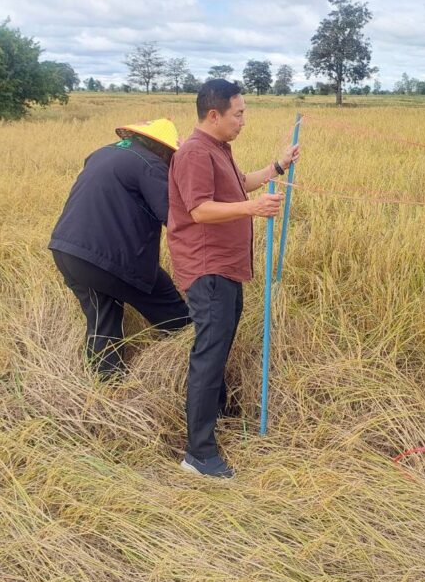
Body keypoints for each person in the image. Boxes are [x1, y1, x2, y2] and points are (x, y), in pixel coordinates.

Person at [168, 79, 300, 479]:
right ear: (214, 115)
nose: (243, 121)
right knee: (209, 355)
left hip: (224, 268)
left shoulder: (217, 148)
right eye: (238, 114)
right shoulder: (194, 152)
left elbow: (239, 184)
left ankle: (216, 419)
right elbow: (200, 210)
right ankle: (199, 454)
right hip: (207, 268)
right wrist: (253, 209)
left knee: (219, 347)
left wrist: (278, 167)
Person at [49, 119, 192, 378]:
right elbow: (175, 219)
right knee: (168, 305)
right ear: (163, 148)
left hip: (66, 251)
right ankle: (188, 353)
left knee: (103, 318)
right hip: (111, 256)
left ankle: (106, 384)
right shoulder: (151, 164)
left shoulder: (103, 153)